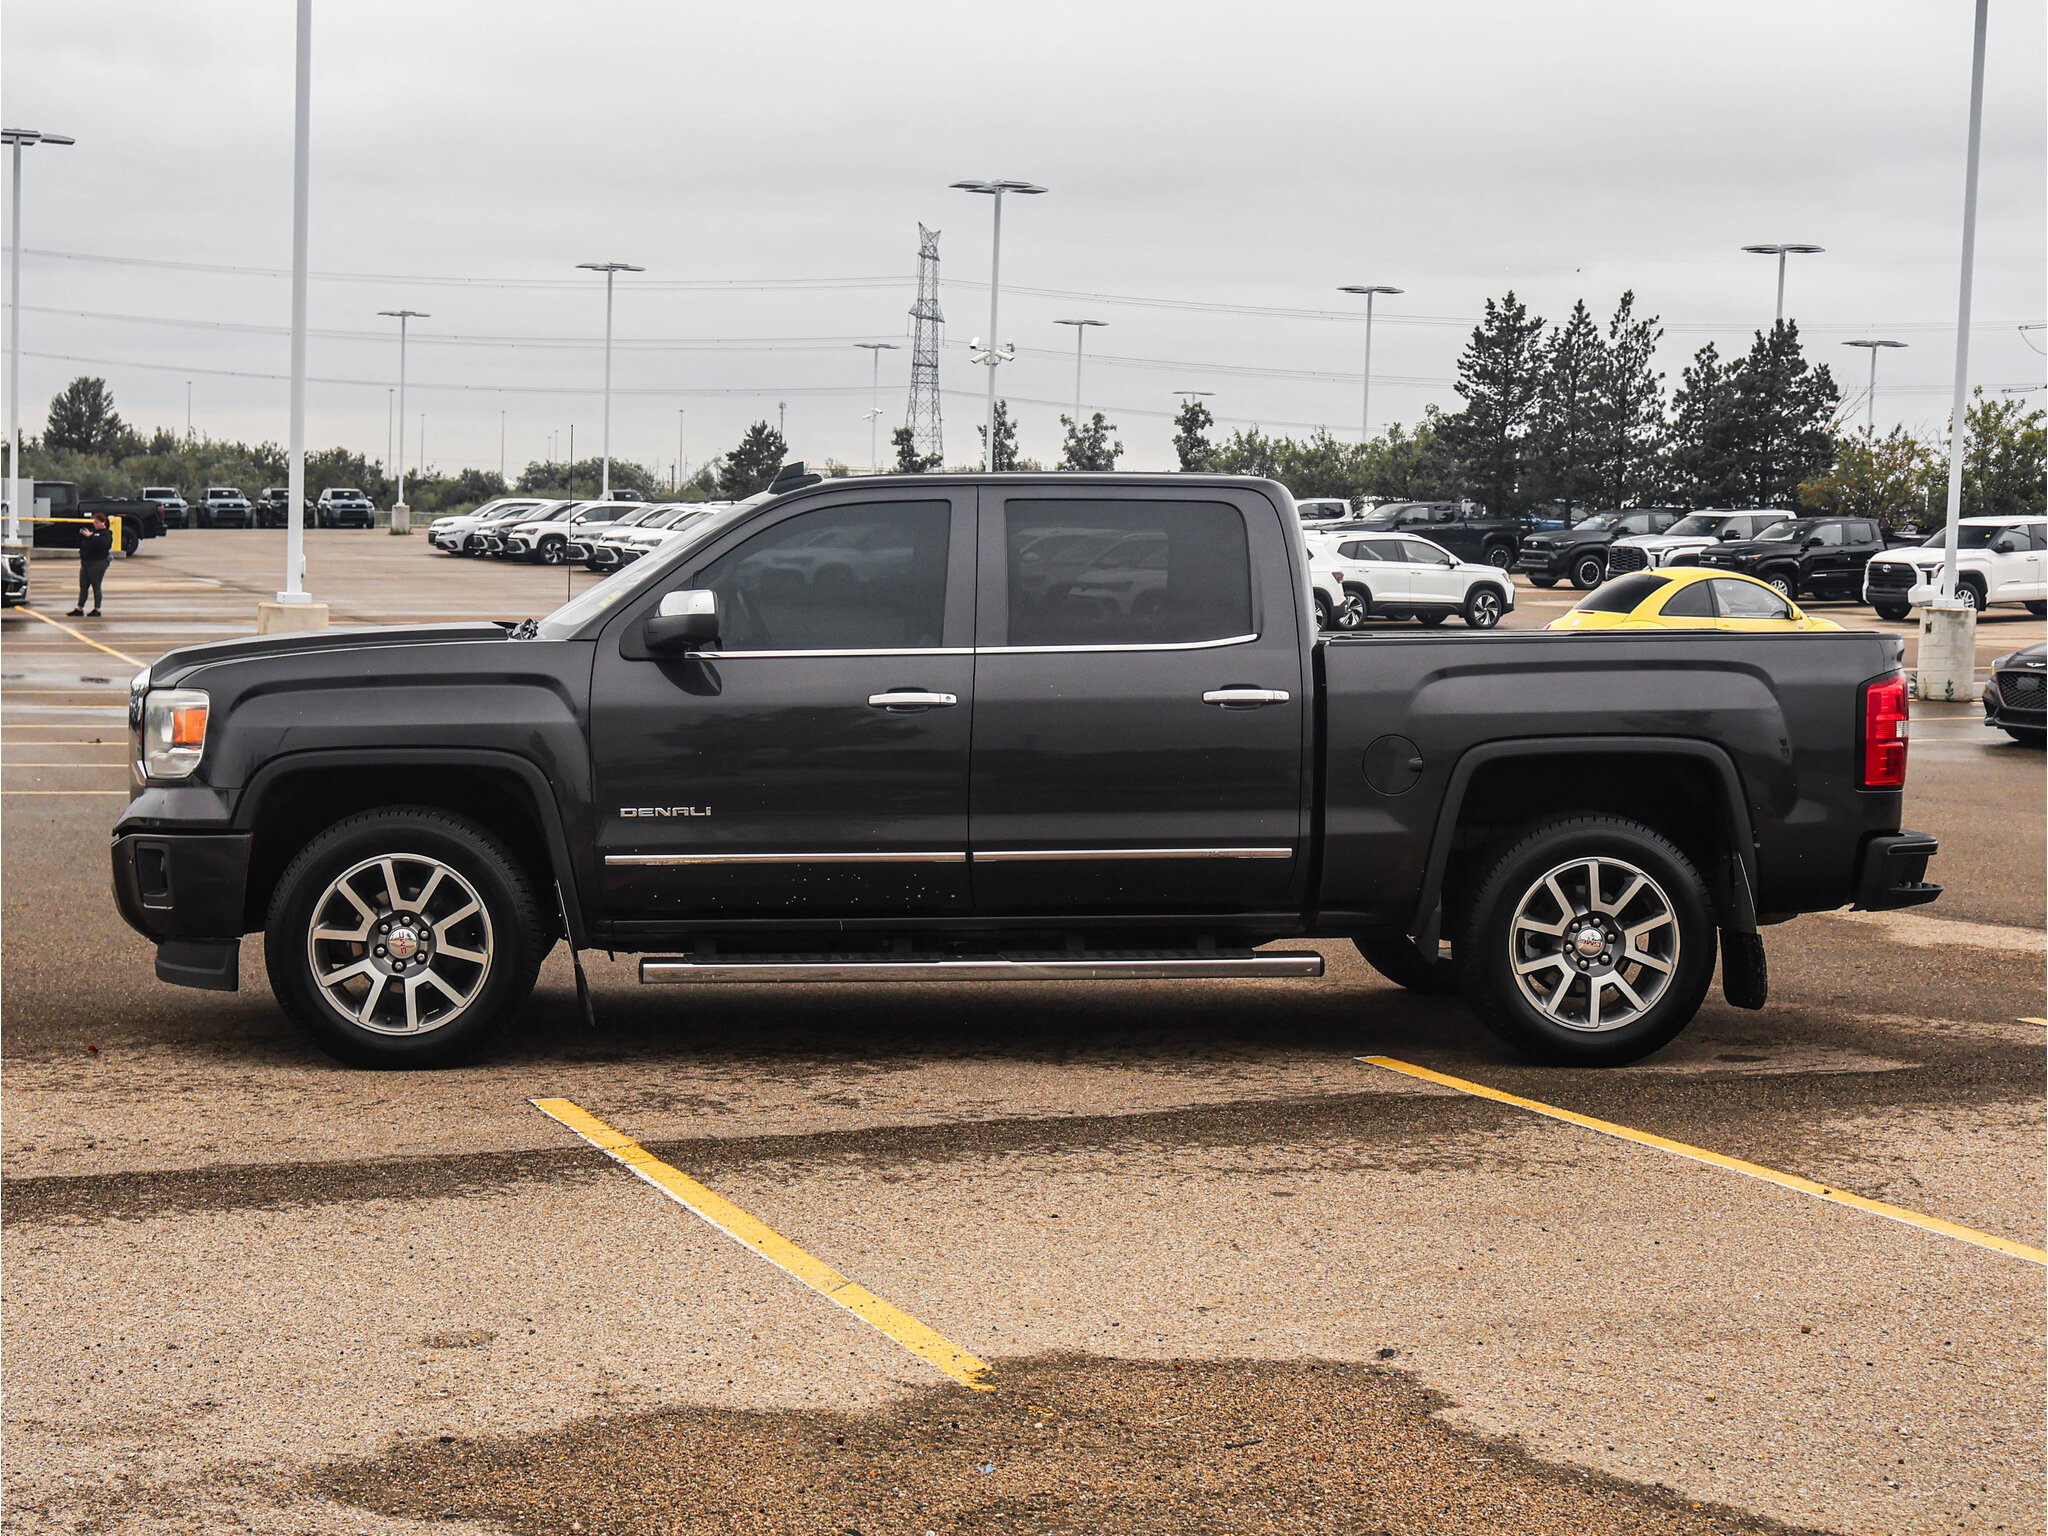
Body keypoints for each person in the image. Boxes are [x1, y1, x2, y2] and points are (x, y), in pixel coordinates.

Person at [69, 510, 113, 618]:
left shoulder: (106, 534)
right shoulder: (92, 532)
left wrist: (90, 537)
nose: (95, 524)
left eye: (97, 522)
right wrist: (83, 536)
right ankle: (79, 608)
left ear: (103, 523)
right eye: (94, 522)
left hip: (98, 562)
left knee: (96, 585)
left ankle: (97, 609)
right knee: (83, 586)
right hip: (86, 561)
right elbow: (83, 543)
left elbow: (103, 546)